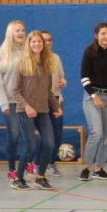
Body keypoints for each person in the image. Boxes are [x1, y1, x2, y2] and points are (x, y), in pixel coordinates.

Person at [12, 31, 62, 191]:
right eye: (33, 41)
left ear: (44, 44)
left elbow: (48, 92)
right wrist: (27, 106)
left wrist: (57, 107)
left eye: (39, 41)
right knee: (31, 146)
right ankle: (18, 178)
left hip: (43, 111)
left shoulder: (47, 65)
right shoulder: (21, 64)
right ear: (29, 44)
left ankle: (40, 177)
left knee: (49, 144)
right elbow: (14, 90)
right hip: (24, 111)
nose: (37, 44)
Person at [79, 22, 107, 181]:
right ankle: (86, 167)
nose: (106, 36)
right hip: (92, 97)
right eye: (103, 34)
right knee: (96, 132)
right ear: (96, 36)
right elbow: (84, 77)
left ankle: (99, 168)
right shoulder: (89, 52)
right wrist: (94, 96)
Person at [0, 20, 26, 186]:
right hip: (10, 102)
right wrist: (3, 104)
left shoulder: (28, 51)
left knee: (32, 137)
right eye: (17, 30)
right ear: (10, 33)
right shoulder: (0, 54)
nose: (21, 33)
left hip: (26, 102)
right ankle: (12, 169)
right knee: (14, 134)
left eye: (22, 30)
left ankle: (27, 167)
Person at [42, 30, 66, 177]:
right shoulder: (34, 59)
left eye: (50, 40)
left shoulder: (56, 58)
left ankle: (51, 163)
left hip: (56, 99)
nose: (47, 43)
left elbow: (62, 77)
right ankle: (38, 164)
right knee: (42, 135)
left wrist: (63, 82)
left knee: (57, 133)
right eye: (44, 40)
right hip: (40, 101)